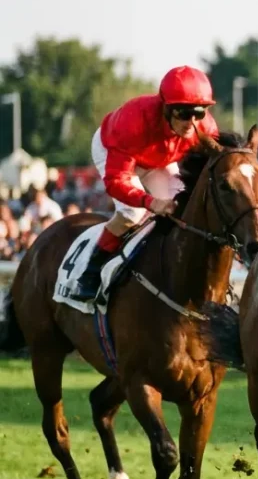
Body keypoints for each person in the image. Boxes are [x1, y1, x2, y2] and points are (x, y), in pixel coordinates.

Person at [66, 66, 220, 302]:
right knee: (132, 212)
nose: (191, 122)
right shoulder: (134, 122)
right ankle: (90, 271)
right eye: (183, 113)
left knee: (182, 208)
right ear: (166, 109)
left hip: (160, 158)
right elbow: (116, 182)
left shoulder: (205, 129)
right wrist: (151, 201)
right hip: (117, 151)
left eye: (199, 113)